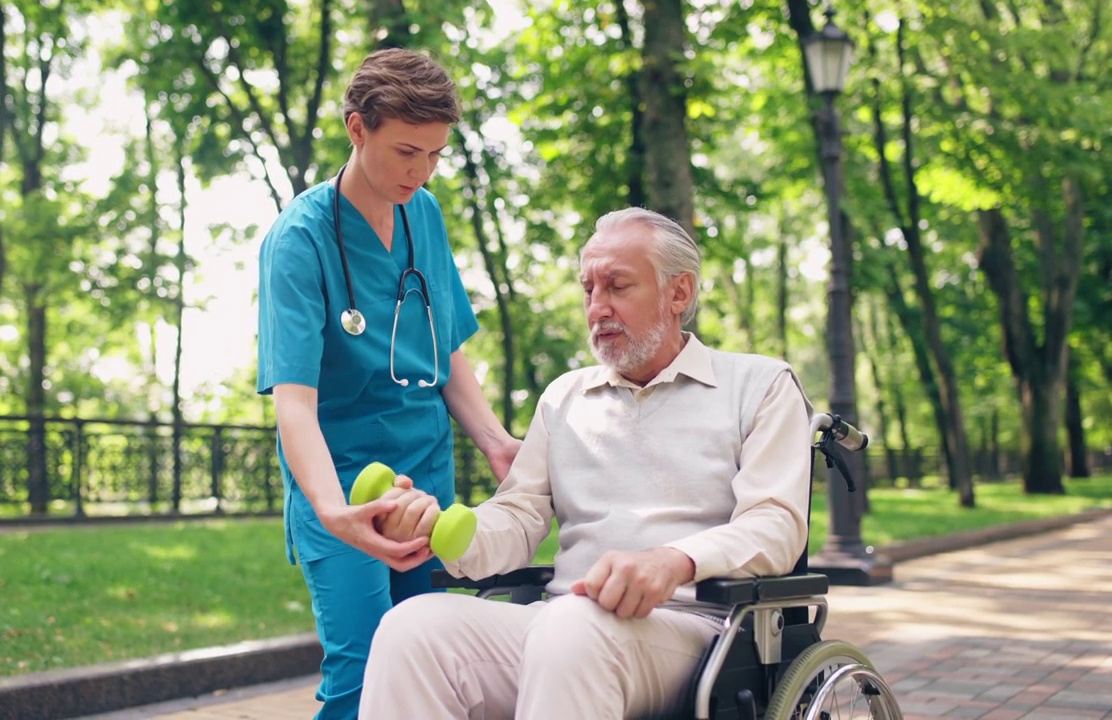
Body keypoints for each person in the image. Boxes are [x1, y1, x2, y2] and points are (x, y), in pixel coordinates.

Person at [358, 207, 814, 719]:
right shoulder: (564, 397)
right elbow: (520, 514)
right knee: (411, 628)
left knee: (572, 627)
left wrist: (671, 560)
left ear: (679, 293)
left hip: (699, 630)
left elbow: (775, 526)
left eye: (618, 286)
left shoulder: (759, 386)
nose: (597, 308)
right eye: (588, 289)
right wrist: (441, 529)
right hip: (565, 623)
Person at [256, 48, 521, 719]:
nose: (420, 171)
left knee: (425, 673)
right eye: (407, 151)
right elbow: (294, 404)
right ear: (357, 128)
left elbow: (446, 348)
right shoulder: (300, 242)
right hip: (342, 479)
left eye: (434, 155)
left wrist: (493, 440)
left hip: (424, 476)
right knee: (360, 675)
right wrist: (330, 507)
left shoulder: (422, 214)